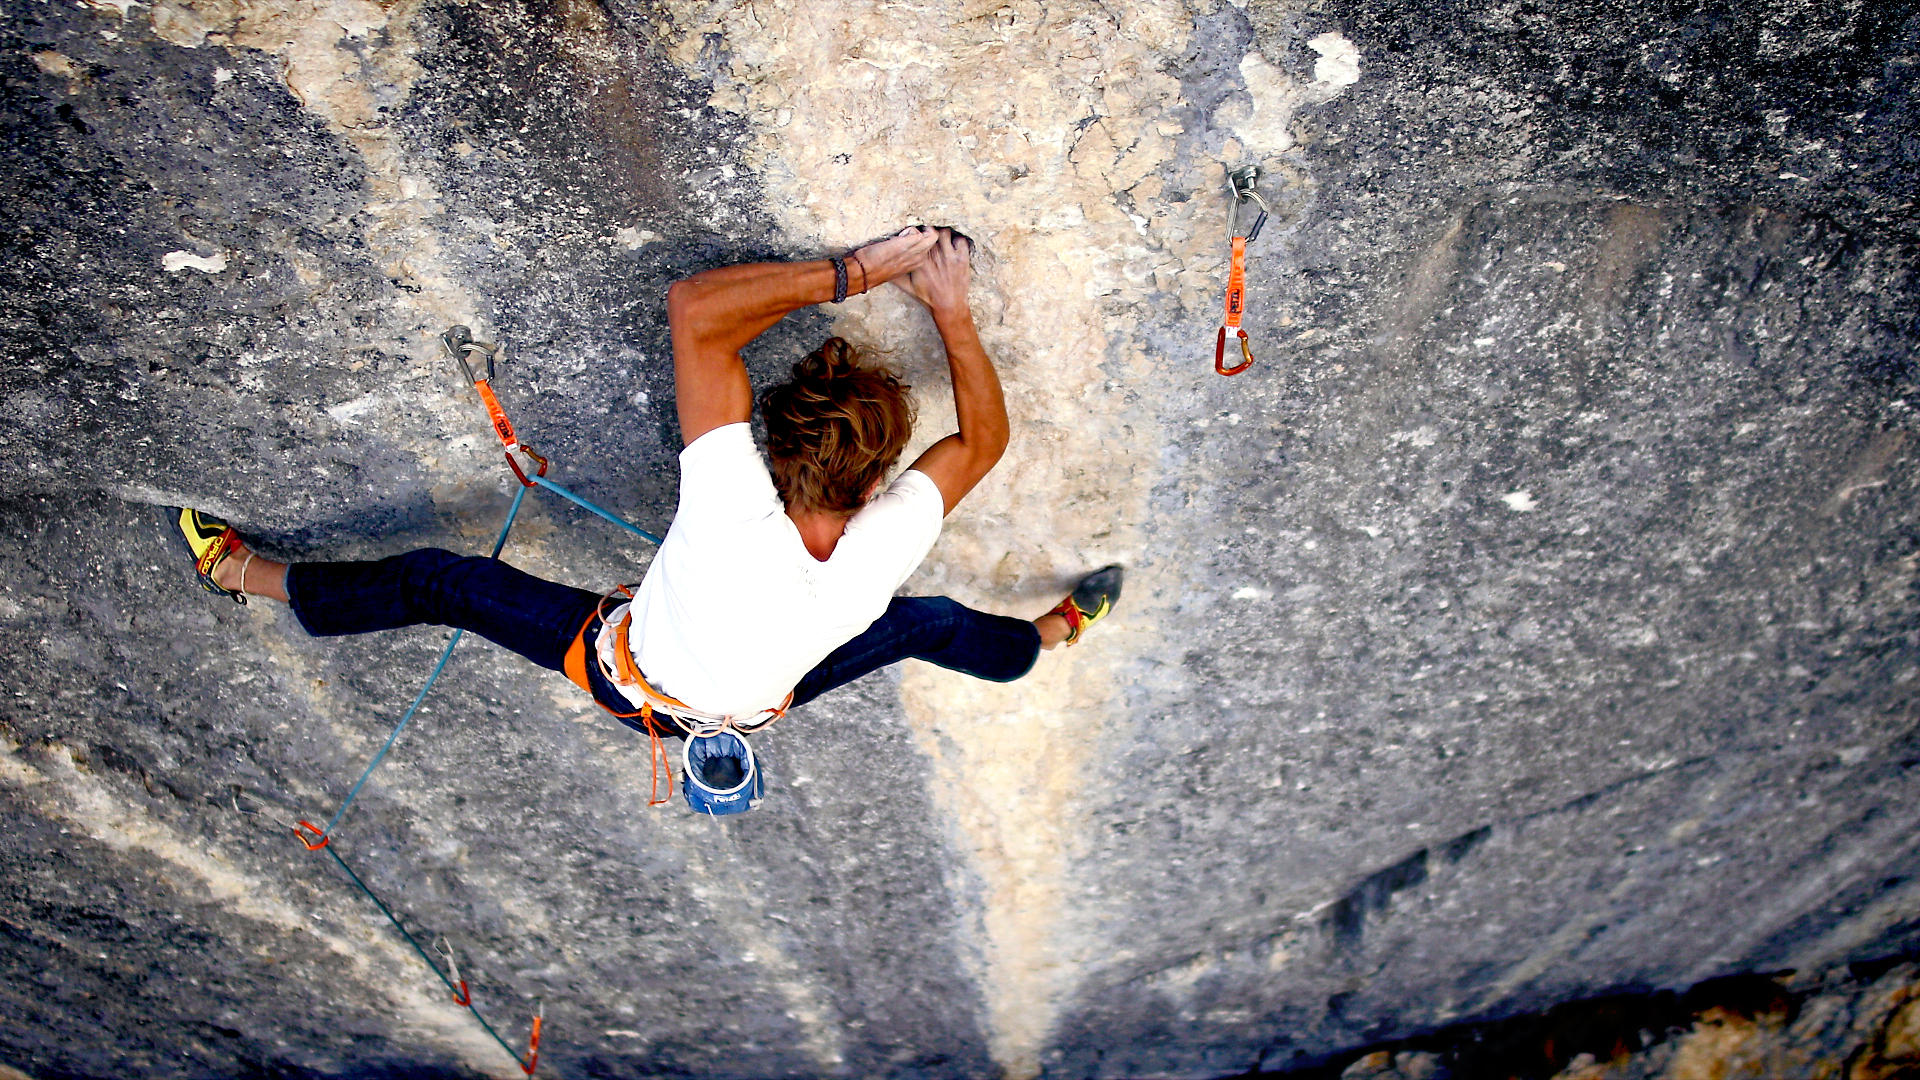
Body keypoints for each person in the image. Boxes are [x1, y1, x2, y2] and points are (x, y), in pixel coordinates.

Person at [172, 226, 1122, 795]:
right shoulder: (883, 547)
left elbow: (695, 311)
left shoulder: (729, 503)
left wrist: (870, 267)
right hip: (738, 703)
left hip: (635, 681)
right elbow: (979, 446)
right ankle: (1046, 638)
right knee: (933, 623)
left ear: (772, 449)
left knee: (440, 582)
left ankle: (241, 574)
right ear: (878, 491)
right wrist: (953, 312)